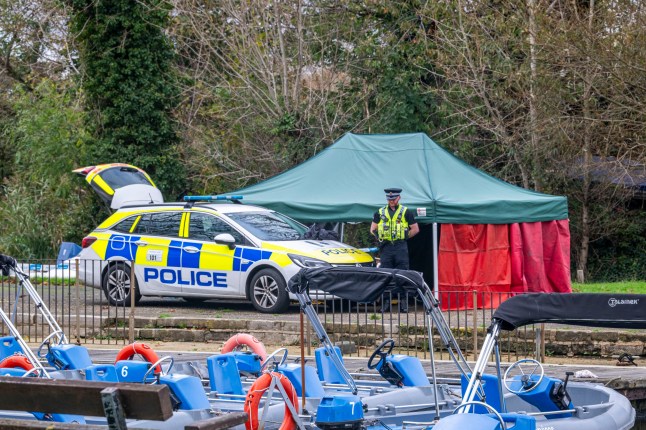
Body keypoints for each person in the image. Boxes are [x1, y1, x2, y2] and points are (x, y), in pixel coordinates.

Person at [370, 188, 419, 312]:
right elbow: (372, 229)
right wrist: (380, 237)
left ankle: (403, 303)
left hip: (400, 246)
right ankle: (386, 303)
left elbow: (415, 229)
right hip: (386, 247)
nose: (391, 201)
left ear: (399, 198)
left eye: (393, 199)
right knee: (386, 274)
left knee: (402, 274)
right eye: (389, 199)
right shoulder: (380, 212)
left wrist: (404, 237)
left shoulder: (405, 212)